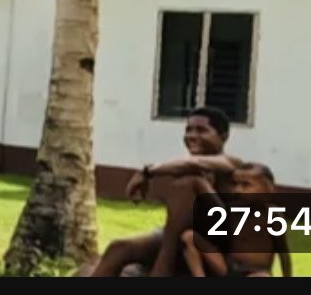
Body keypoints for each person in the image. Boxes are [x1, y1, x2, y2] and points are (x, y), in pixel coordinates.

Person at [88, 107, 243, 277]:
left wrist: (146, 172)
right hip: (176, 233)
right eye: (188, 130)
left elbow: (193, 164)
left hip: (216, 239)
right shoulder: (185, 168)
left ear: (223, 137)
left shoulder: (232, 163)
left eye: (201, 130)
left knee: (193, 183)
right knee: (119, 248)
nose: (192, 136)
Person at [180, 162, 292, 278]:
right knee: (189, 237)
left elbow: (283, 252)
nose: (237, 190)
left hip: (255, 271)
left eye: (245, 185)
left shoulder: (272, 215)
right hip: (228, 267)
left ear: (267, 189)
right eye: (235, 184)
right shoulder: (231, 210)